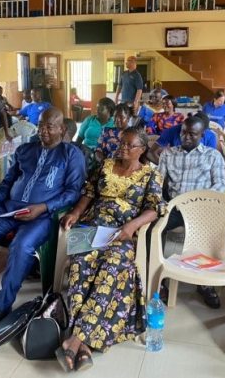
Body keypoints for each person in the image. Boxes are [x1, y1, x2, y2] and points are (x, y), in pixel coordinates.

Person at [0, 108, 86, 336]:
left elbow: (73, 192)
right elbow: (7, 183)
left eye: (49, 126)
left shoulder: (70, 154)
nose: (43, 131)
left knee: (22, 245)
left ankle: (2, 306)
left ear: (62, 129)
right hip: (10, 209)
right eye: (40, 126)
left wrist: (44, 207)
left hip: (43, 216)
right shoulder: (25, 150)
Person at [57, 128, 165, 370]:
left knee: (114, 265)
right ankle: (84, 345)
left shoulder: (151, 175)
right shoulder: (106, 164)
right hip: (93, 227)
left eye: (130, 145)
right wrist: (75, 212)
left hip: (123, 233)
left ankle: (75, 339)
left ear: (142, 150)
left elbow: (154, 208)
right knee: (81, 264)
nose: (123, 148)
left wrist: (132, 225)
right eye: (121, 143)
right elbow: (89, 193)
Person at [157, 116, 225, 308]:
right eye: (183, 133)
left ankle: (204, 283)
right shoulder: (168, 154)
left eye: (192, 134)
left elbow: (220, 185)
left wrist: (199, 201)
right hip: (174, 208)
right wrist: (162, 203)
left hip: (201, 209)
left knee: (208, 235)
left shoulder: (212, 156)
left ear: (202, 136)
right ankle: (159, 278)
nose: (186, 137)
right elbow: (158, 183)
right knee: (153, 228)